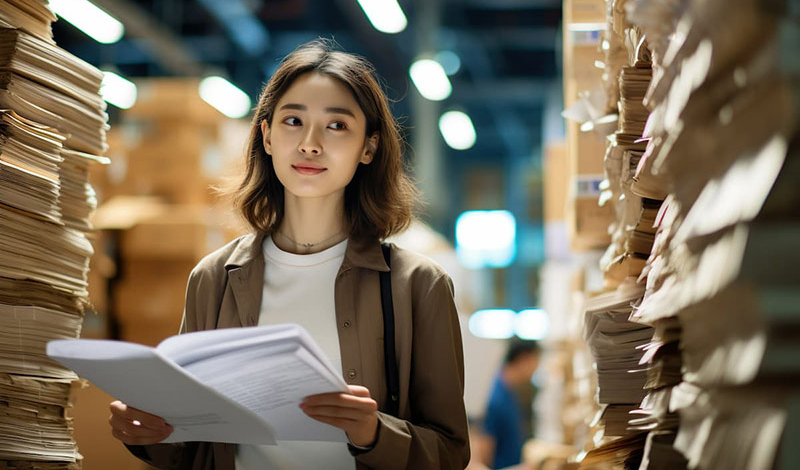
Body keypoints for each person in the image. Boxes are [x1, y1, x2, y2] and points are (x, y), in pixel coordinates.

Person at [107, 40, 471, 470]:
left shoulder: (417, 285)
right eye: (293, 121)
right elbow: (193, 443)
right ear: (266, 134)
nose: (310, 144)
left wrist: (375, 434)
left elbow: (450, 451)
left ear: (368, 148)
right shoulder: (214, 278)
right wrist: (149, 434)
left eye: (336, 126)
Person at [480, 339, 540, 469]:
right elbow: (485, 453)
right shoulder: (496, 398)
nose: (537, 367)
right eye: (536, 360)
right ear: (525, 358)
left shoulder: (507, 390)